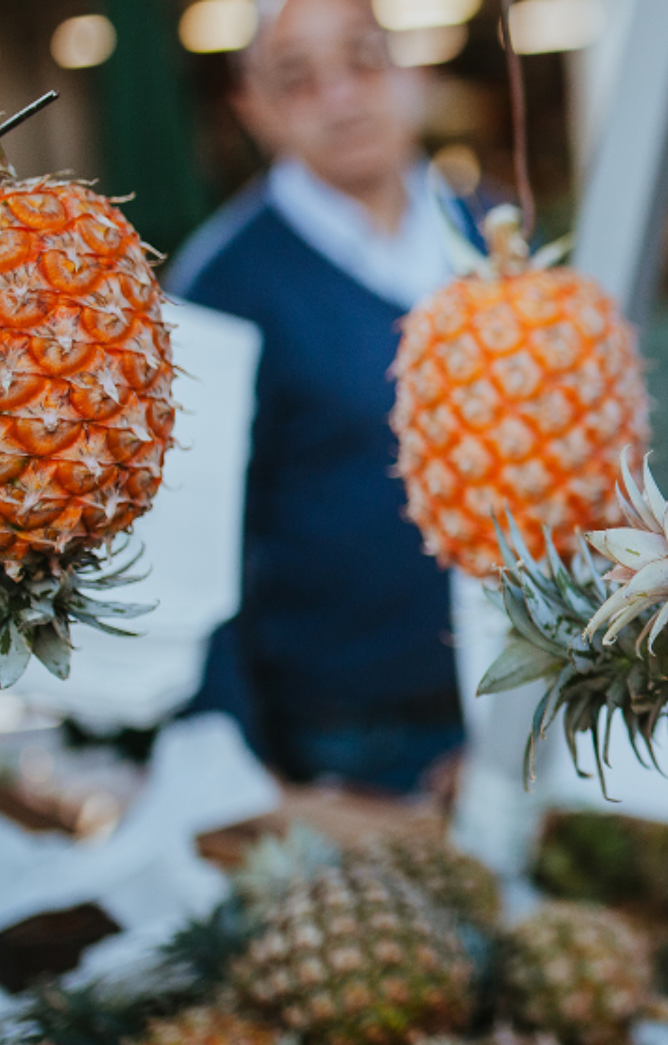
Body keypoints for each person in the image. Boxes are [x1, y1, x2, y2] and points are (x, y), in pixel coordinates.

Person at [168, 0, 464, 793]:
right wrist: (244, 776)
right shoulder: (221, 286)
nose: (340, 96)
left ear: (413, 68)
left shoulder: (494, 232)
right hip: (347, 741)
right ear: (251, 107)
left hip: (525, 708)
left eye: (364, 58)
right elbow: (195, 549)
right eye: (297, 79)